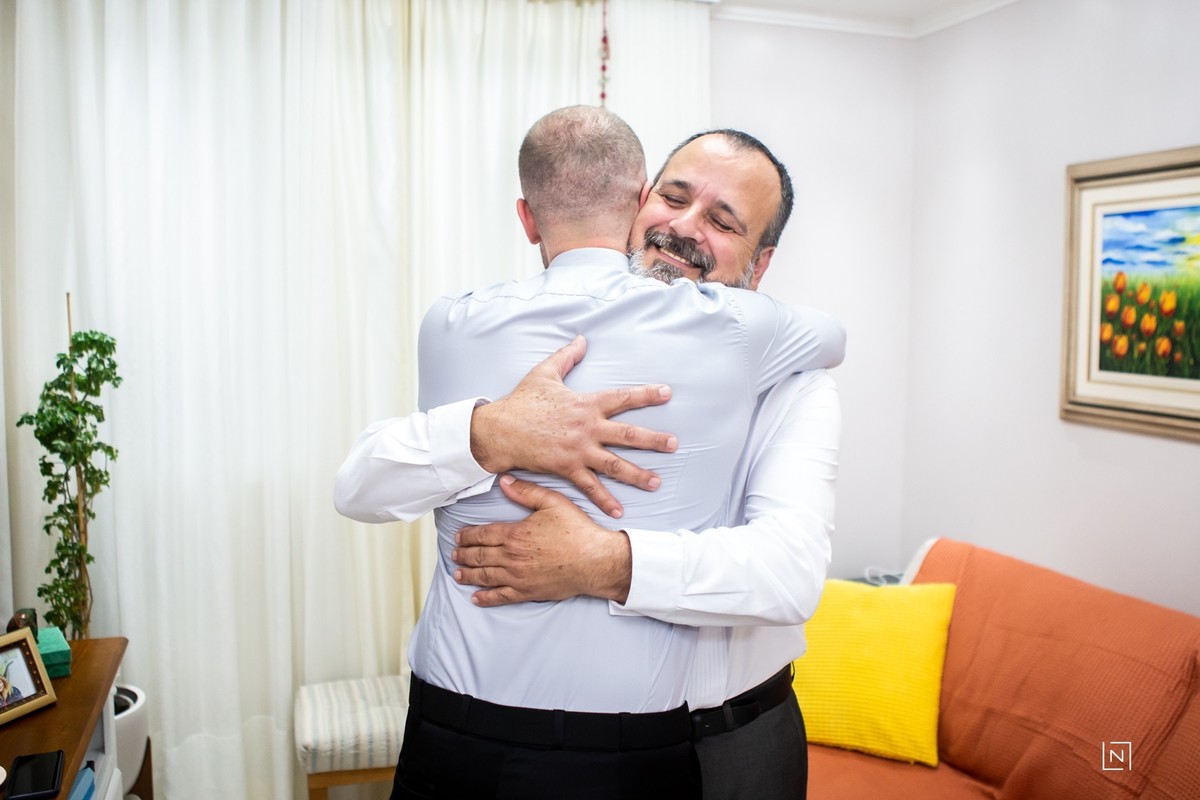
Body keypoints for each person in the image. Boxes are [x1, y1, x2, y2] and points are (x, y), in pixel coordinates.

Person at [336, 115, 843, 799]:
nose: (683, 226)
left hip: (733, 736)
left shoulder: (793, 380)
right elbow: (361, 484)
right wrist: (488, 432)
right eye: (673, 197)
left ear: (762, 261)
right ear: (637, 200)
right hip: (479, 732)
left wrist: (604, 562)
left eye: (722, 221)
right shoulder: (510, 334)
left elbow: (788, 573)